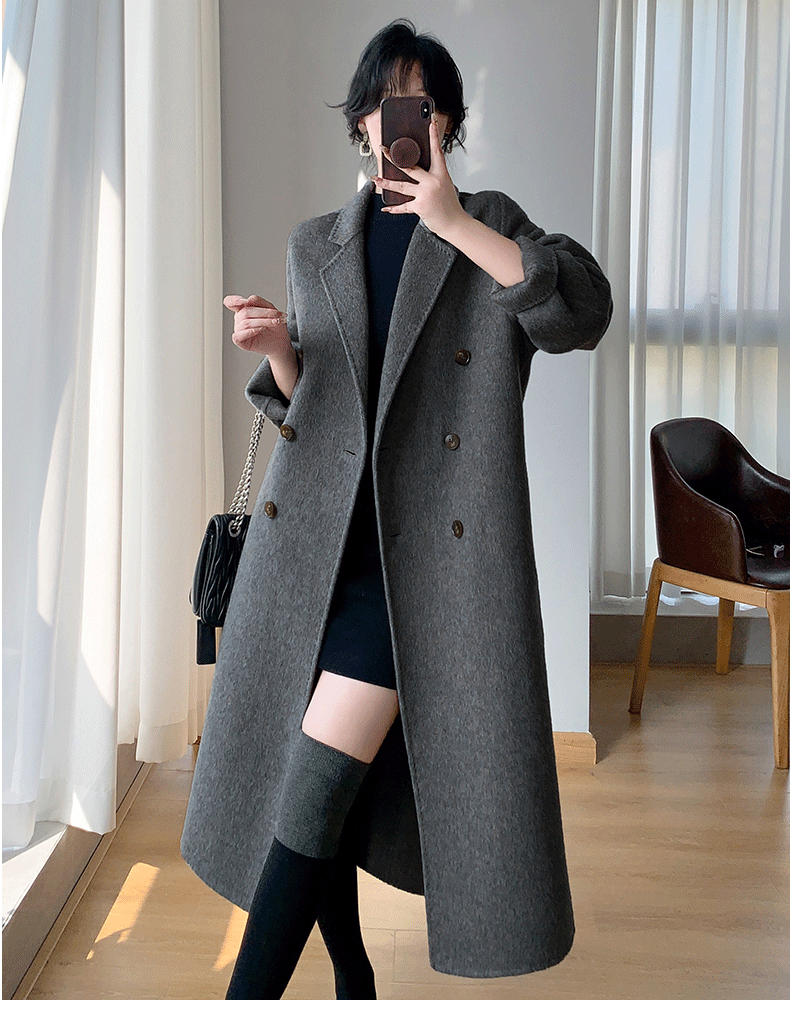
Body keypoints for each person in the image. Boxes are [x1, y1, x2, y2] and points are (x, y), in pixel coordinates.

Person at [180, 18, 612, 1000]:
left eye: (420, 101)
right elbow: (325, 412)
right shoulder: (315, 244)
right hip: (311, 559)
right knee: (314, 780)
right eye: (383, 101)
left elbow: (581, 313)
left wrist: (455, 224)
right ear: (361, 122)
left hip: (421, 567)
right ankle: (352, 971)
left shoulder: (490, 225)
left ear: (445, 121)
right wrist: (279, 353)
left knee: (313, 784)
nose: (398, 118)